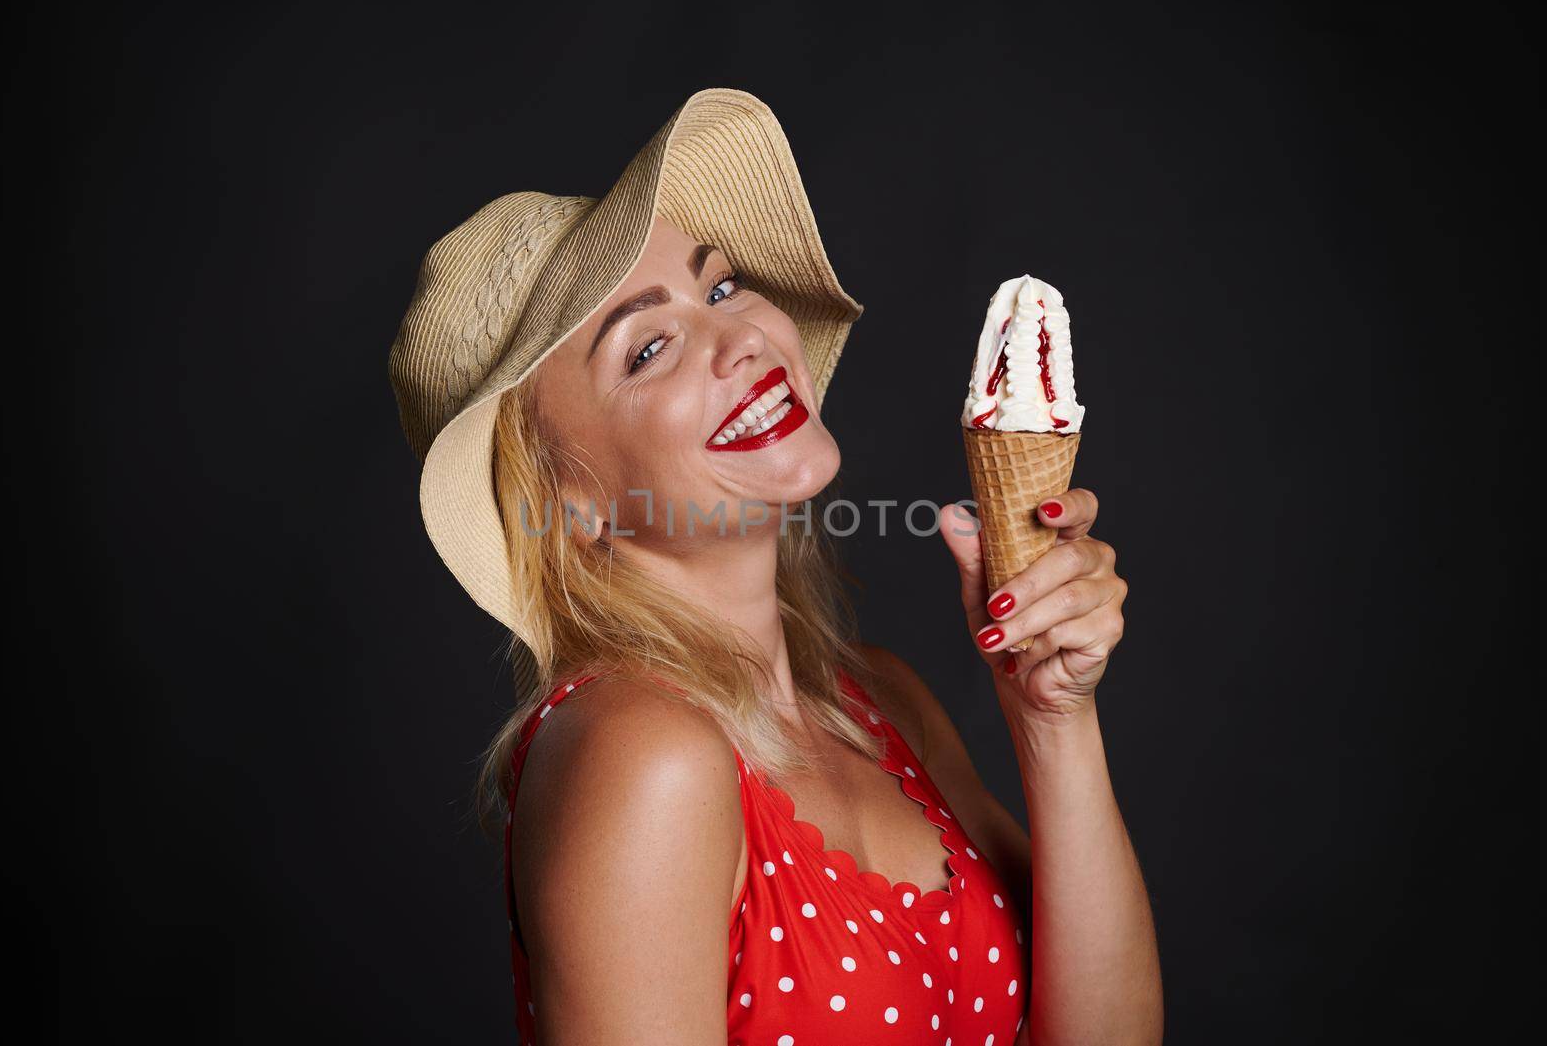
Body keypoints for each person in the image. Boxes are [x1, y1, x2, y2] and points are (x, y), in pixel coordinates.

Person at [389, 87, 1161, 1046]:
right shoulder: (642, 756)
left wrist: (1053, 718)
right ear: (567, 498)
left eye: (719, 288)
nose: (740, 337)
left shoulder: (885, 699)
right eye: (650, 346)